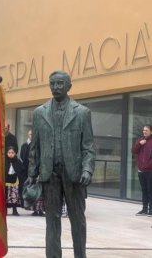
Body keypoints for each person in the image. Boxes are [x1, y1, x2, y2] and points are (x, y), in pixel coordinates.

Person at [27, 71, 95, 258]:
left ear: (69, 86)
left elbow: (88, 147)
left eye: (59, 83)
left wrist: (87, 169)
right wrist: (32, 176)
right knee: (52, 221)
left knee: (78, 221)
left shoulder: (82, 113)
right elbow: (34, 149)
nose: (56, 87)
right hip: (50, 175)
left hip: (74, 176)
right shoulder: (39, 113)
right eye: (52, 84)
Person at [131, 125, 152, 216]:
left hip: (150, 170)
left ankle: (151, 210)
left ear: (151, 132)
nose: (144, 132)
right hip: (141, 170)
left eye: (146, 130)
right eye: (143, 130)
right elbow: (134, 151)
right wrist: (140, 144)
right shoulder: (140, 140)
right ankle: (144, 209)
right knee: (144, 190)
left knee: (150, 190)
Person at [5, 146, 24, 216]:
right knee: (6, 195)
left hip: (15, 180)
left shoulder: (17, 161)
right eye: (9, 153)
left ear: (15, 153)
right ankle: (5, 209)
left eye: (12, 153)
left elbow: (21, 170)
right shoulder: (5, 161)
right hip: (6, 180)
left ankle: (14, 210)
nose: (10, 154)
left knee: (14, 196)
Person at [19, 129, 32, 207]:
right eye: (30, 134)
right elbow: (21, 156)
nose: (32, 136)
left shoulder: (35, 145)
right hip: (24, 168)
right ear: (28, 135)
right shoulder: (24, 145)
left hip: (32, 168)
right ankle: (22, 202)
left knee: (31, 185)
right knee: (23, 185)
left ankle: (30, 203)